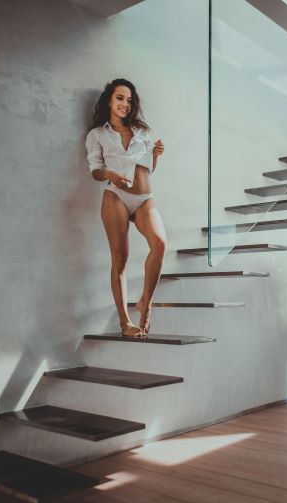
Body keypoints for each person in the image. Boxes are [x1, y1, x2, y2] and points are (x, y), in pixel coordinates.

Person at [85, 78, 167, 337]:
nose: (125, 104)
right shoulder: (97, 134)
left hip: (144, 198)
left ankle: (146, 302)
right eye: (120, 98)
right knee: (120, 260)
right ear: (109, 100)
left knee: (160, 243)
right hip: (115, 196)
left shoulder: (142, 131)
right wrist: (111, 172)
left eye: (129, 100)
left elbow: (148, 169)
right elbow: (95, 171)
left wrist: (155, 155)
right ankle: (125, 323)